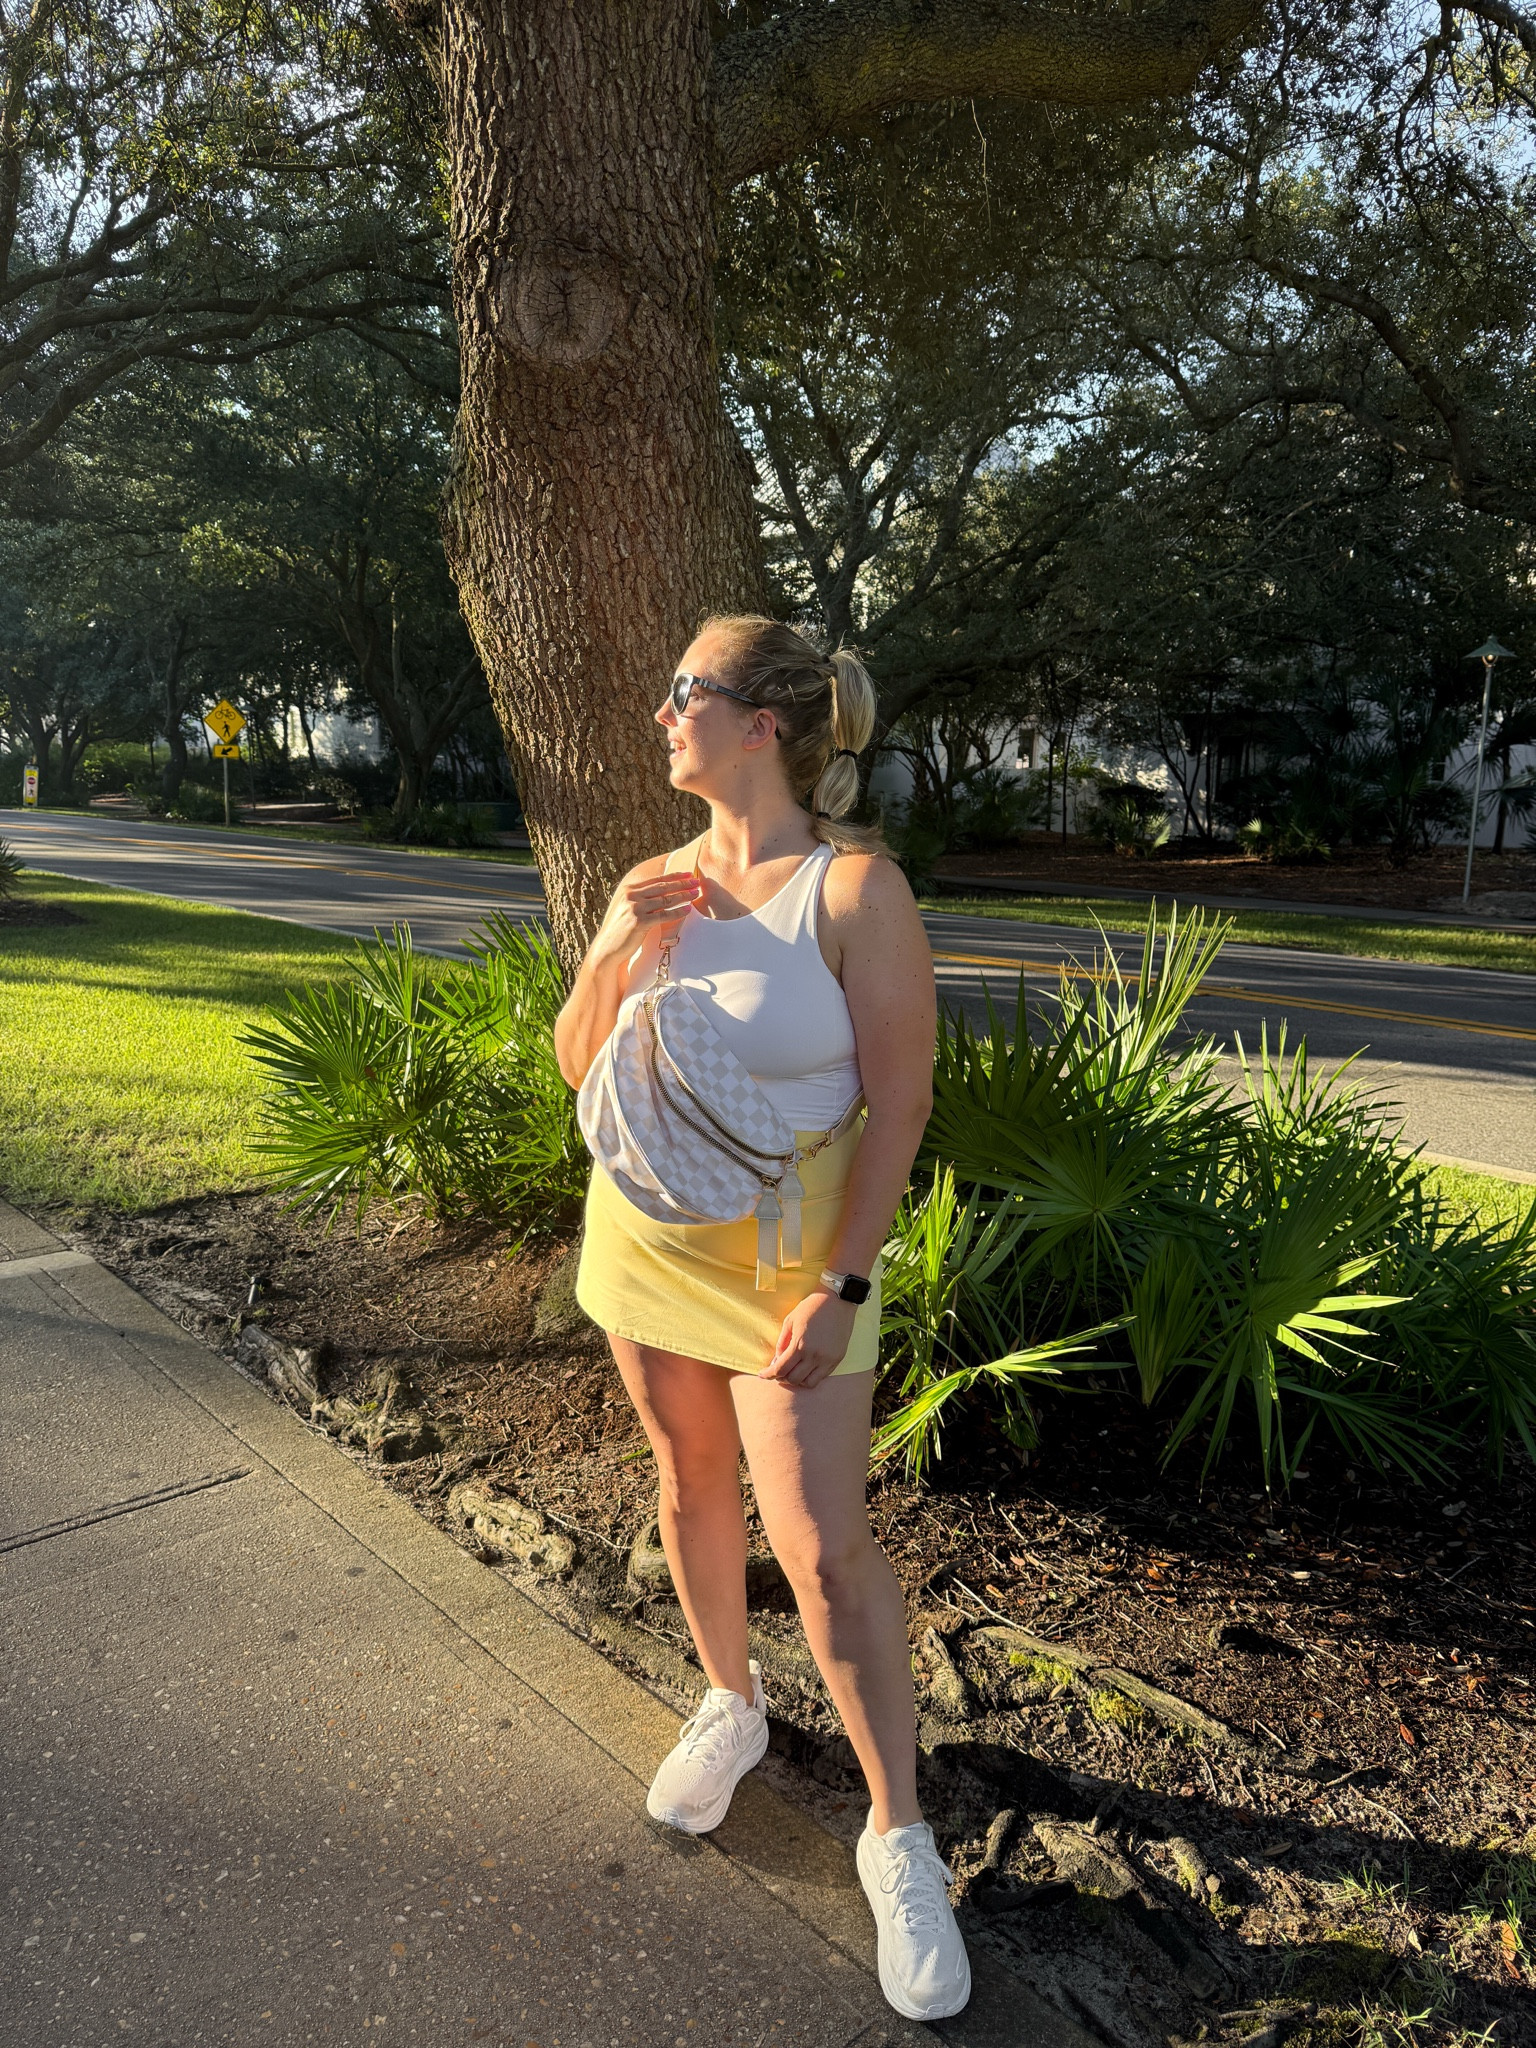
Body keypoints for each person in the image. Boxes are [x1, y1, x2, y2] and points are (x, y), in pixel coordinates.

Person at [553, 614, 969, 2023]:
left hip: (792, 1257)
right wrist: (616, 940)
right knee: (686, 1485)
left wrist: (848, 1287)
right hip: (643, 1234)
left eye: (686, 691)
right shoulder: (653, 876)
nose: (662, 709)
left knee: (826, 1547)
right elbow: (577, 1058)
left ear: (762, 725)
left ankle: (896, 1835)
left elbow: (899, 1105)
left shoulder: (854, 892)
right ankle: (730, 1704)